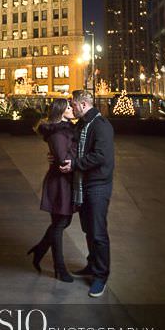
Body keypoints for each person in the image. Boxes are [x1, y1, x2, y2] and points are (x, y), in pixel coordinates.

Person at [59, 90, 115, 298]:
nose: (72, 108)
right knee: (89, 229)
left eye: (73, 105)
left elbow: (100, 156)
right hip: (84, 183)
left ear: (83, 104)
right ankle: (92, 265)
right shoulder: (82, 124)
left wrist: (75, 164)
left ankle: (101, 276)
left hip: (98, 185)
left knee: (98, 232)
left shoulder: (101, 126)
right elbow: (70, 142)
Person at [28, 98, 78, 282]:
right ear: (61, 111)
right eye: (69, 108)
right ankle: (59, 267)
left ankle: (40, 249)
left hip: (65, 181)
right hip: (60, 182)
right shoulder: (58, 133)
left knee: (62, 222)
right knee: (60, 223)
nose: (72, 110)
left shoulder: (67, 129)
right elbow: (62, 158)